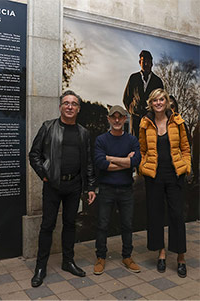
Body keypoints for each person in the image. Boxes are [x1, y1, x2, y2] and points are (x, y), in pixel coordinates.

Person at [29, 90, 96, 287]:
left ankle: (68, 262)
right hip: (52, 186)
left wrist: (90, 186)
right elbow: (34, 155)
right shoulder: (48, 127)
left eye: (73, 104)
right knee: (47, 226)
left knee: (69, 224)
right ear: (60, 107)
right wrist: (44, 175)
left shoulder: (83, 133)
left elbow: (89, 162)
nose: (69, 106)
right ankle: (40, 268)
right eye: (66, 103)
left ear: (78, 109)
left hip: (74, 186)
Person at [139, 88, 191, 278]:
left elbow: (186, 148)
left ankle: (180, 258)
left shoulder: (177, 121)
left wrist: (186, 166)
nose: (159, 103)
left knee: (177, 215)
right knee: (156, 215)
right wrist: (143, 167)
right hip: (154, 176)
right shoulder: (145, 123)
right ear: (151, 103)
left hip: (174, 175)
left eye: (162, 99)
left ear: (167, 102)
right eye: (155, 100)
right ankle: (161, 253)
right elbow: (142, 149)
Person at [93, 105, 141, 275]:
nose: (117, 120)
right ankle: (101, 257)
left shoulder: (132, 140)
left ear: (125, 118)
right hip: (106, 189)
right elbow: (100, 164)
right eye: (113, 117)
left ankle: (127, 257)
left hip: (126, 189)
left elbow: (135, 162)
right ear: (109, 119)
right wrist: (124, 162)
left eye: (120, 117)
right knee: (102, 225)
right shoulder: (101, 140)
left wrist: (110, 159)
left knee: (127, 225)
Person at [123, 50, 164, 138]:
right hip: (135, 122)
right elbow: (126, 98)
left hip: (151, 122)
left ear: (152, 63)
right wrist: (133, 111)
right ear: (139, 62)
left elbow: (161, 103)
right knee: (135, 148)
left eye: (148, 61)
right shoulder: (133, 78)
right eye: (143, 61)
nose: (146, 64)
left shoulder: (158, 82)